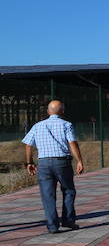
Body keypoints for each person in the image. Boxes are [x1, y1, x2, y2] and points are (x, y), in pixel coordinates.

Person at [22, 100, 85, 234]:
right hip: (62, 163)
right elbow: (72, 143)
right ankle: (68, 220)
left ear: (48, 111)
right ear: (62, 111)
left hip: (43, 164)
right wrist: (79, 160)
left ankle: (52, 226)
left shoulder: (37, 126)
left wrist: (29, 163)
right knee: (68, 190)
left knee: (47, 195)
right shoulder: (66, 124)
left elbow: (28, 144)